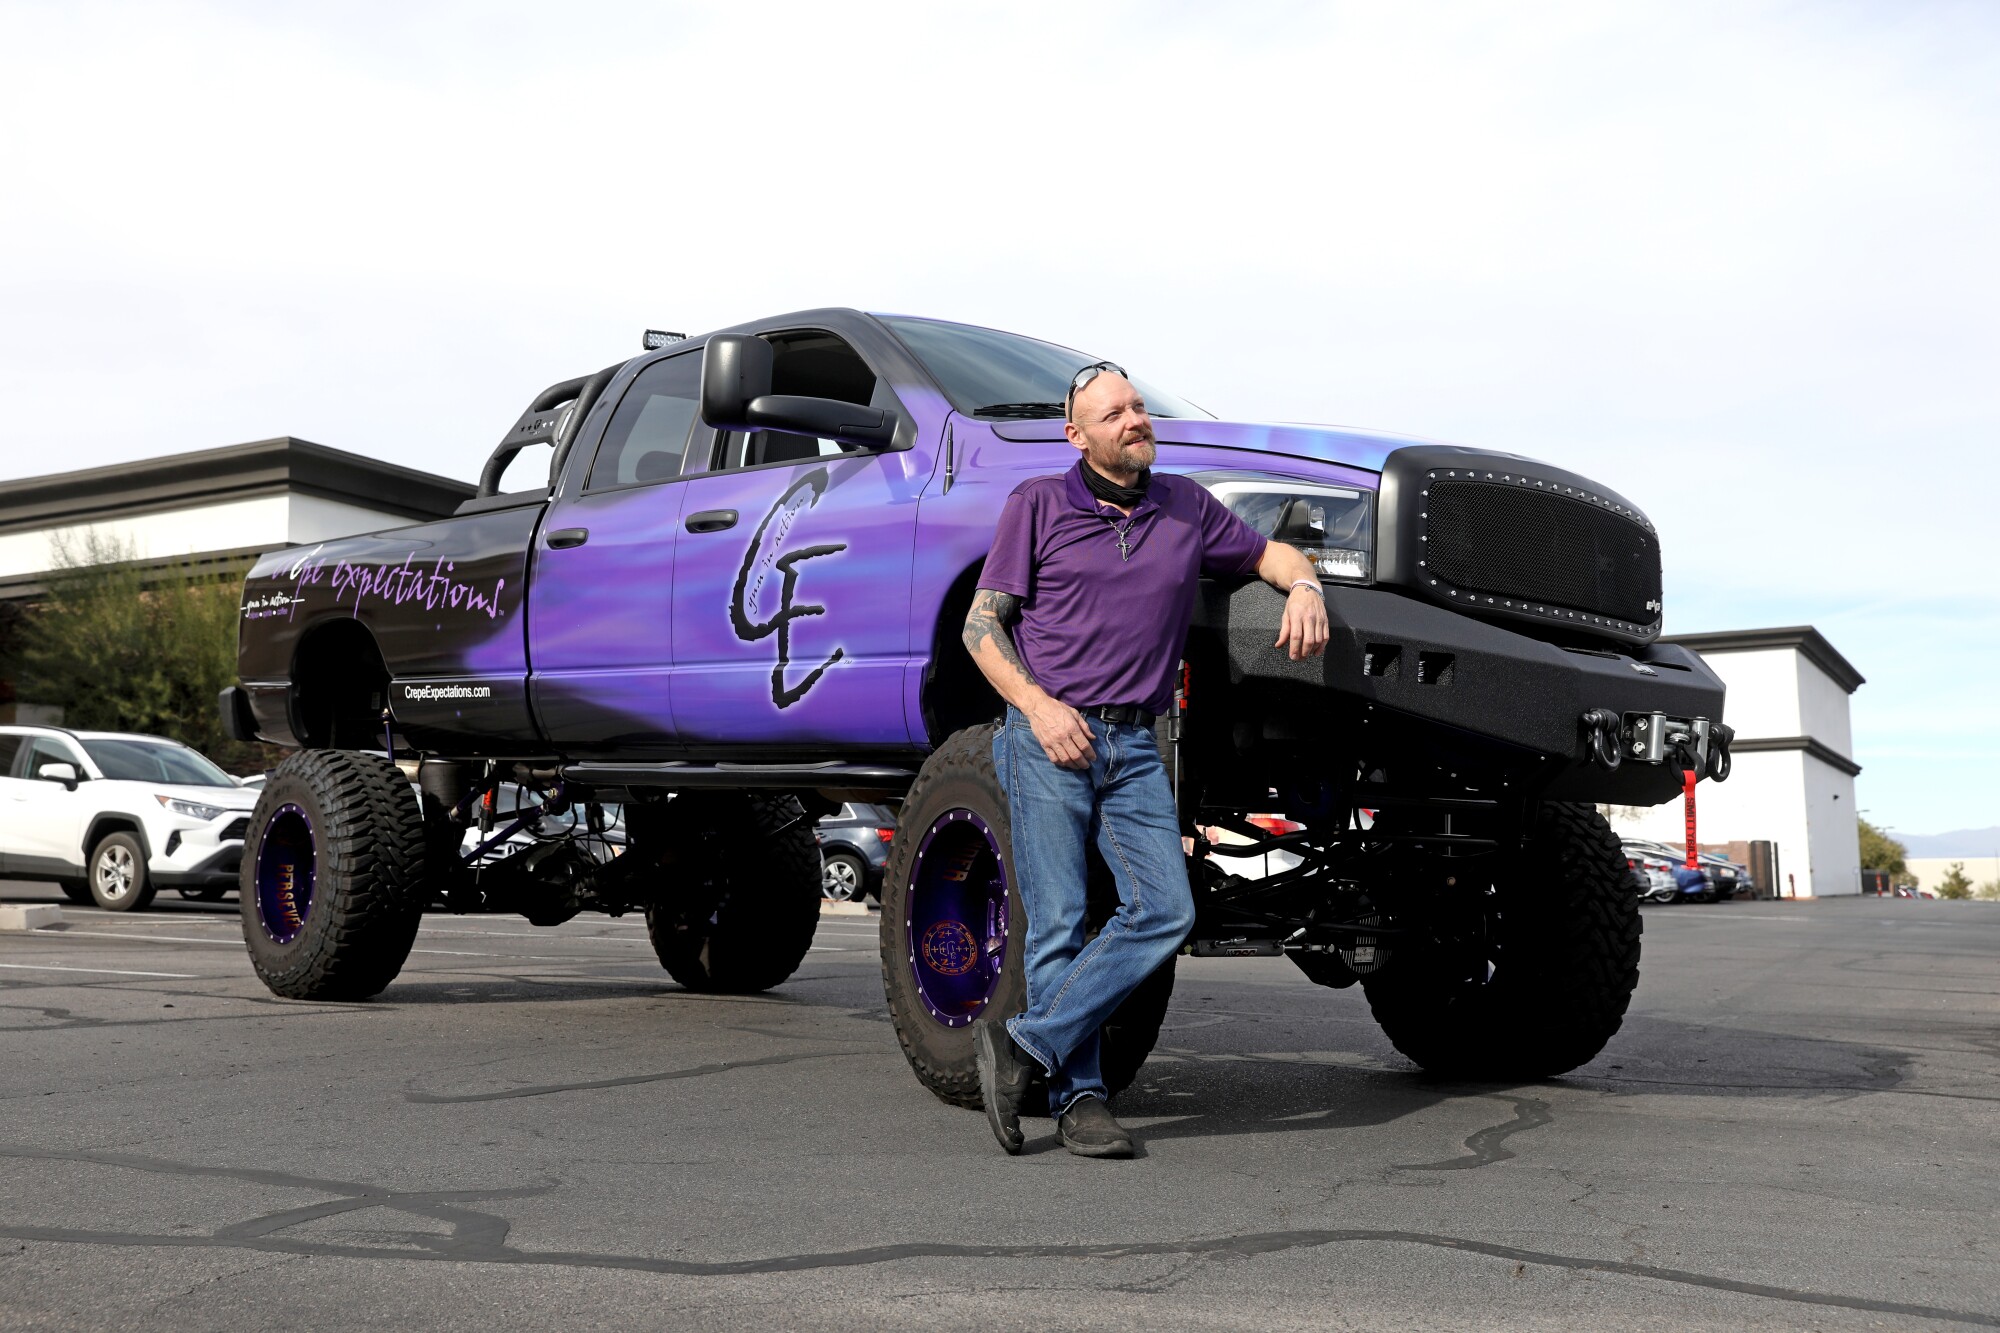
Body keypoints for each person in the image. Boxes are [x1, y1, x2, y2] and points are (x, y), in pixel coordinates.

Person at [960, 361, 1330, 1158]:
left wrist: (1307, 590)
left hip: (1134, 744)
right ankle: (1081, 1097)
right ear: (1077, 435)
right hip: (1048, 734)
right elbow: (980, 628)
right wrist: (1038, 707)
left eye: (1137, 406)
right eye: (1113, 412)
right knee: (1058, 922)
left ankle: (1022, 1044)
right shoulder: (1037, 504)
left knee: (1166, 910)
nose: (1135, 419)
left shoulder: (1185, 506)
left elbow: (1275, 557)